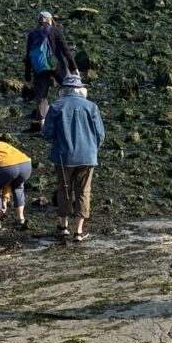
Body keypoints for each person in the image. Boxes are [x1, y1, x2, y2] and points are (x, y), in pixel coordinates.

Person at [41, 74, 105, 242]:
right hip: (87, 156)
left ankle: (64, 227)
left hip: (63, 157)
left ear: (63, 90)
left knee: (64, 189)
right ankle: (78, 231)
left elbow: (46, 133)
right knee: (83, 191)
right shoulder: (91, 107)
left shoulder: (56, 107)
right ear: (80, 89)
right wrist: (93, 149)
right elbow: (100, 134)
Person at [24, 10, 79, 128]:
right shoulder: (55, 31)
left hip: (39, 67)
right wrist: (74, 67)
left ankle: (42, 122)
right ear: (49, 20)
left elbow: (28, 56)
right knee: (69, 86)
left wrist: (27, 77)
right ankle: (72, 112)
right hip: (55, 63)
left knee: (41, 95)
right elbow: (66, 50)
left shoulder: (32, 34)